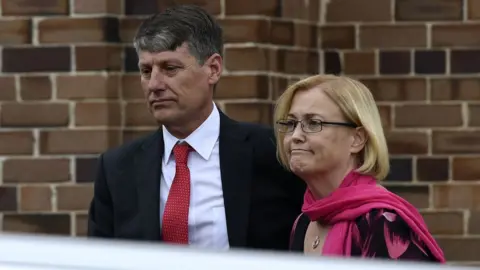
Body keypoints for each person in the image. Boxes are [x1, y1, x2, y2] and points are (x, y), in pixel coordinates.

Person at [87, 4, 305, 251]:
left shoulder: (273, 152)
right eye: (146, 71)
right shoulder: (117, 168)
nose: (154, 84)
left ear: (213, 69)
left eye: (170, 68)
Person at [273, 74, 446, 262]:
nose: (295, 136)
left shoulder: (383, 223)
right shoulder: (304, 223)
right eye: (290, 124)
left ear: (357, 139)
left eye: (314, 123)